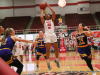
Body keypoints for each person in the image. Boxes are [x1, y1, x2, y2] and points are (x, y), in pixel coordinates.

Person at [40, 2, 60, 70]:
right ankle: (48, 63)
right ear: (45, 17)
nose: (47, 15)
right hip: (47, 35)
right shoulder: (44, 21)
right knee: (48, 49)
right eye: (46, 15)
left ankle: (57, 60)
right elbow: (41, 17)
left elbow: (53, 12)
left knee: (56, 49)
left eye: (48, 14)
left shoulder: (52, 20)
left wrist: (48, 6)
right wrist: (42, 9)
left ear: (50, 16)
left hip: (53, 34)